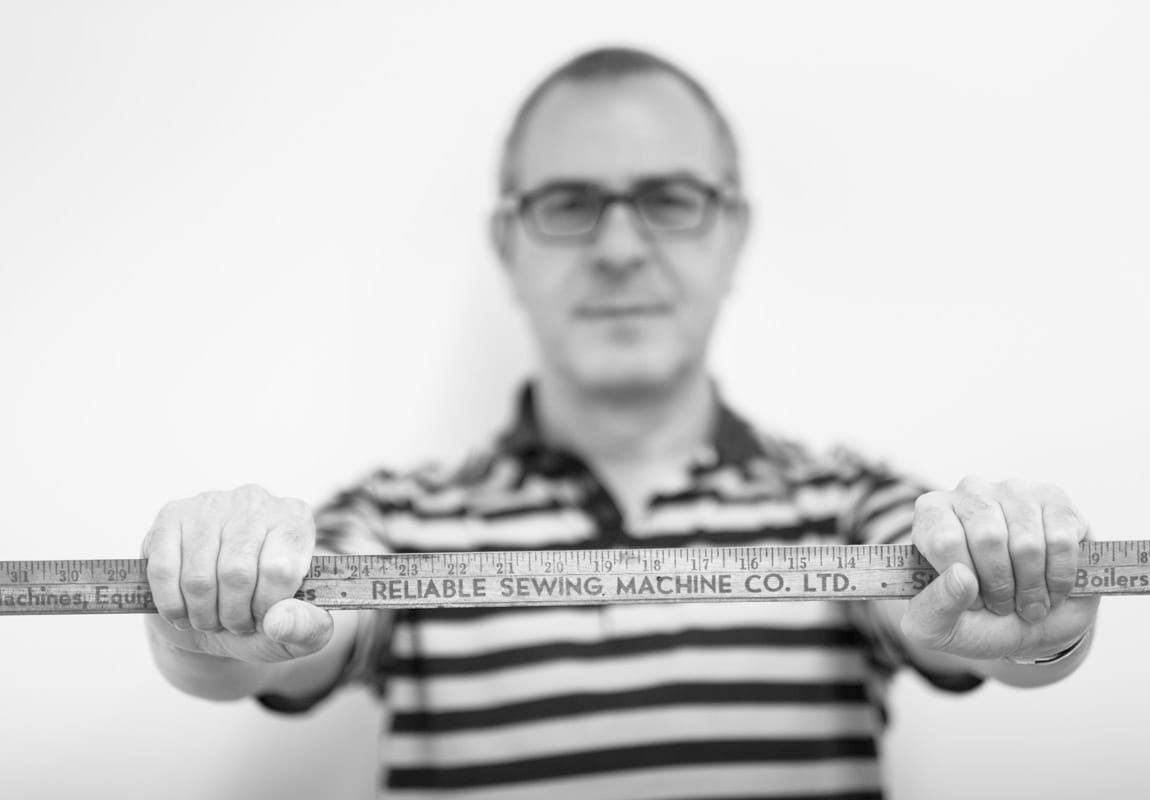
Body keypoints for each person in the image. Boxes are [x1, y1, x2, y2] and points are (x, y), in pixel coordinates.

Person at [141, 47, 1100, 799]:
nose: (618, 247)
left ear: (734, 234)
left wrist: (1029, 612)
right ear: (506, 246)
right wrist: (214, 614)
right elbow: (293, 633)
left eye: (670, 200)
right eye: (567, 204)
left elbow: (941, 596)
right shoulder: (397, 523)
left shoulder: (850, 507)